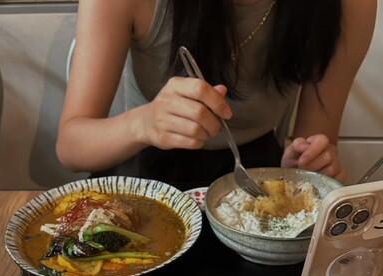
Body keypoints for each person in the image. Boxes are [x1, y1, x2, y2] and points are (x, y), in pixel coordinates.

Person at [56, 0, 377, 189]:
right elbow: (71, 146)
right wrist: (143, 123)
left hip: (257, 174)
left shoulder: (350, 6)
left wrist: (306, 164)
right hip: (142, 167)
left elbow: (315, 147)